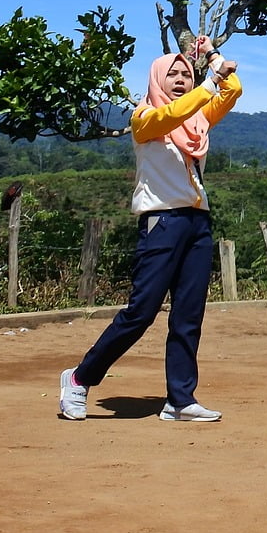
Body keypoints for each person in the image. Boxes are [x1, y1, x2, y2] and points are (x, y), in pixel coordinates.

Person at [58, 39, 241, 423]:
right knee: (141, 312)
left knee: (189, 315)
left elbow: (233, 89)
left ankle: (180, 399)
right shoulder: (144, 118)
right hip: (162, 222)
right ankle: (79, 378)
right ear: (157, 77)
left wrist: (211, 57)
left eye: (185, 75)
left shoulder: (197, 120)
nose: (179, 79)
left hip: (196, 222)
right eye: (172, 74)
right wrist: (207, 84)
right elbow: (170, 115)